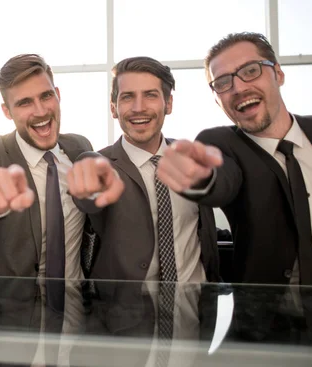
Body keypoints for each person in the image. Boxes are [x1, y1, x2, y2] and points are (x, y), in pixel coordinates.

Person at [156, 32, 312, 285]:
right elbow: (222, 180)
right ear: (216, 97)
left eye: (251, 70)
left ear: (278, 73)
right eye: (222, 82)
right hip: (266, 318)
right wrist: (202, 178)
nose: (239, 88)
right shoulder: (220, 142)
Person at [0, 53, 123, 279]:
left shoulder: (79, 146)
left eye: (46, 96)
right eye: (24, 102)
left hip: (75, 307)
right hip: (6, 310)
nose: (40, 111)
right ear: (7, 111)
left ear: (58, 95)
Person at [69, 56, 220, 282]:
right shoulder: (99, 165)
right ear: (113, 108)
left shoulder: (193, 160)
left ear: (168, 104)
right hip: (123, 313)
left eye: (150, 95)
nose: (139, 108)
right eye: (128, 97)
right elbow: (87, 196)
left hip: (195, 309)